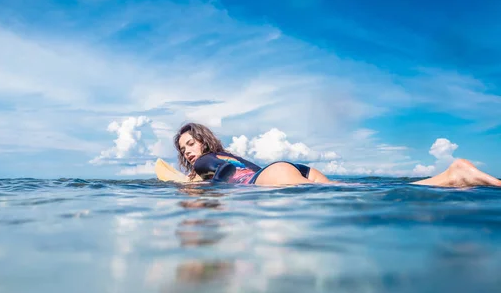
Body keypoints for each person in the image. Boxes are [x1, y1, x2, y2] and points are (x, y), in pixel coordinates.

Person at [174, 122, 501, 188]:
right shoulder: (228, 155)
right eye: (182, 149)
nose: (187, 152)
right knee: (353, 190)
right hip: (289, 170)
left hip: (269, 177)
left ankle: (453, 176)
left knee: (355, 195)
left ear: (202, 144)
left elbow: (200, 185)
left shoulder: (202, 163)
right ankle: (450, 176)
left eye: (190, 144)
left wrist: (188, 183)